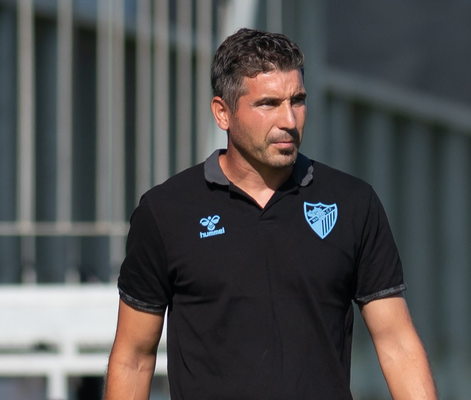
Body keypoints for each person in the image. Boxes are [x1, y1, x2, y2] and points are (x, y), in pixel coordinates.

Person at [104, 28, 438, 400]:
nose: (289, 120)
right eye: (268, 104)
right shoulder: (166, 212)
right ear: (222, 113)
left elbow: (397, 344)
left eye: (298, 100)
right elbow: (133, 358)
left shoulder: (352, 203)